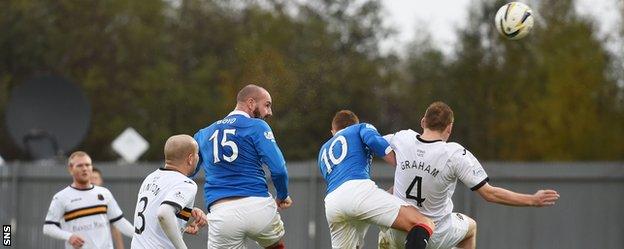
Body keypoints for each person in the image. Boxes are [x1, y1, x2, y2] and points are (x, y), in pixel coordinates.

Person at [378, 101, 560, 249]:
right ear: (449, 128)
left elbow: (371, 143)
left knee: (389, 198)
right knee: (471, 227)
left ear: (423, 122)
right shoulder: (454, 154)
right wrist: (532, 200)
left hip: (398, 228)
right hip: (434, 234)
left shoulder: (403, 138)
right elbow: (490, 194)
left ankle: (386, 240)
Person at [318, 110, 435, 249]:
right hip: (358, 192)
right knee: (422, 222)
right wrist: (399, 163)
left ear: (333, 131)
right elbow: (373, 140)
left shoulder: (322, 150)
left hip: (332, 203)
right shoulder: (360, 128)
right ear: (356, 123)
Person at [193, 84, 291, 249]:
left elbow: (186, 174)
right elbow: (279, 169)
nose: (270, 112)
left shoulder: (203, 134)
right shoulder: (257, 126)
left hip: (221, 213)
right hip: (258, 207)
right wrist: (282, 194)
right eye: (267, 105)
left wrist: (186, 211)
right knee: (275, 246)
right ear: (251, 103)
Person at [43, 151, 135, 249]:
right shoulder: (61, 197)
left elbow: (119, 222)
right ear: (70, 169)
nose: (85, 169)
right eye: (80, 166)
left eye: (88, 165)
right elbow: (48, 227)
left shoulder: (104, 193)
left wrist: (140, 235)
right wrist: (69, 236)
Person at [130, 134, 207, 249]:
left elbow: (154, 213)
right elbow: (164, 213)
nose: (198, 158)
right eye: (197, 154)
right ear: (190, 158)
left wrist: (187, 212)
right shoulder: (186, 183)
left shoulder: (150, 177)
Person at [90, 168, 125, 249]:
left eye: (95, 178)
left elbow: (115, 226)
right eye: (90, 179)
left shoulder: (106, 199)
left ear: (101, 181)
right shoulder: (77, 201)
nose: (93, 181)